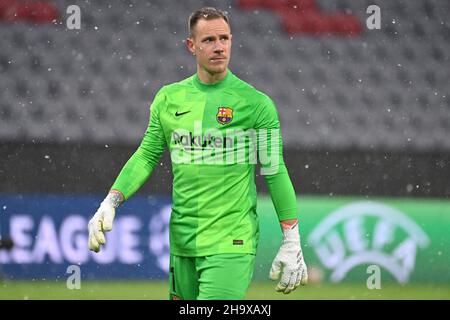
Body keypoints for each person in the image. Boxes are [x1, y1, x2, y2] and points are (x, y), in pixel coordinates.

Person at [88, 7, 307, 300]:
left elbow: (274, 169)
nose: (219, 47)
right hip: (182, 241)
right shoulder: (169, 98)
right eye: (209, 40)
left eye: (224, 38)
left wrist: (291, 238)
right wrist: (110, 202)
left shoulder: (256, 104)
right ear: (191, 46)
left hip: (232, 241)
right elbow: (146, 155)